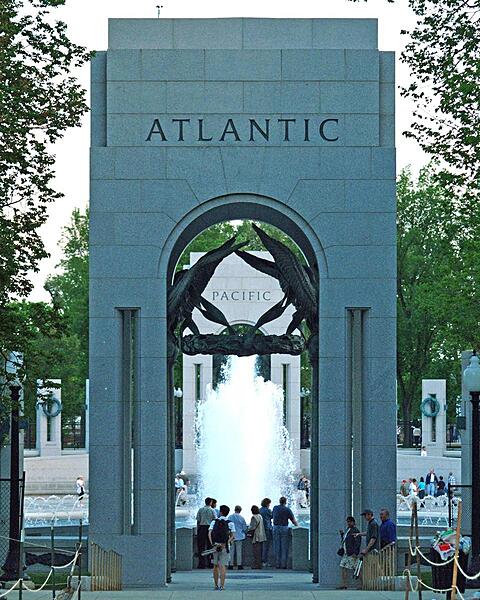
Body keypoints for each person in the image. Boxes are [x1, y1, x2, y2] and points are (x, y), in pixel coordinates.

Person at [208, 505, 236, 591]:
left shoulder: (214, 522)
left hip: (215, 546)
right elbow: (233, 536)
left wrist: (212, 544)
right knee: (223, 566)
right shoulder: (230, 523)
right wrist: (227, 542)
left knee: (215, 566)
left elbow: (209, 533)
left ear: (220, 512)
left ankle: (216, 585)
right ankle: (222, 586)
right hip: (224, 547)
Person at [272, 496, 298, 569]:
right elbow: (293, 520)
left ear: (279, 501)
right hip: (284, 528)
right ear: (285, 502)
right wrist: (298, 526)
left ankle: (277, 564)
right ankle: (283, 565)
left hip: (276, 527)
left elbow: (272, 516)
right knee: (284, 547)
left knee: (277, 546)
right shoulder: (287, 509)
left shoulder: (275, 508)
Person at [336, 516, 361, 590]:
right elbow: (345, 539)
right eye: (347, 521)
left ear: (353, 522)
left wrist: (355, 553)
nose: (348, 523)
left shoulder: (355, 530)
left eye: (350, 521)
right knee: (343, 567)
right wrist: (342, 534)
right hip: (346, 553)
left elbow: (357, 542)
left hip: (351, 553)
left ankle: (361, 584)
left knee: (355, 569)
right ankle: (344, 584)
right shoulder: (348, 530)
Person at [196, 497, 216, 568]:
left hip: (202, 528)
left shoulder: (200, 509)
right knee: (210, 546)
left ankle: (201, 563)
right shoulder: (212, 510)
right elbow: (215, 520)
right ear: (210, 502)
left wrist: (198, 530)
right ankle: (210, 563)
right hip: (209, 529)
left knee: (201, 546)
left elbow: (198, 520)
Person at [228, 505, 247, 570]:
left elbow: (228, 526)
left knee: (231, 551)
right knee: (239, 551)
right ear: (240, 510)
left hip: (231, 536)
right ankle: (239, 565)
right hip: (240, 536)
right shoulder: (242, 518)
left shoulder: (230, 517)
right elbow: (244, 528)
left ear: (234, 509)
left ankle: (231, 564)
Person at [260, 498, 273, 567]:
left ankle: (261, 561)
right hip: (267, 529)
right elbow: (272, 516)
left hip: (260, 530)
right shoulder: (268, 510)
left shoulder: (260, 510)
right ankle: (264, 561)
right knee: (266, 546)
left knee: (261, 546)